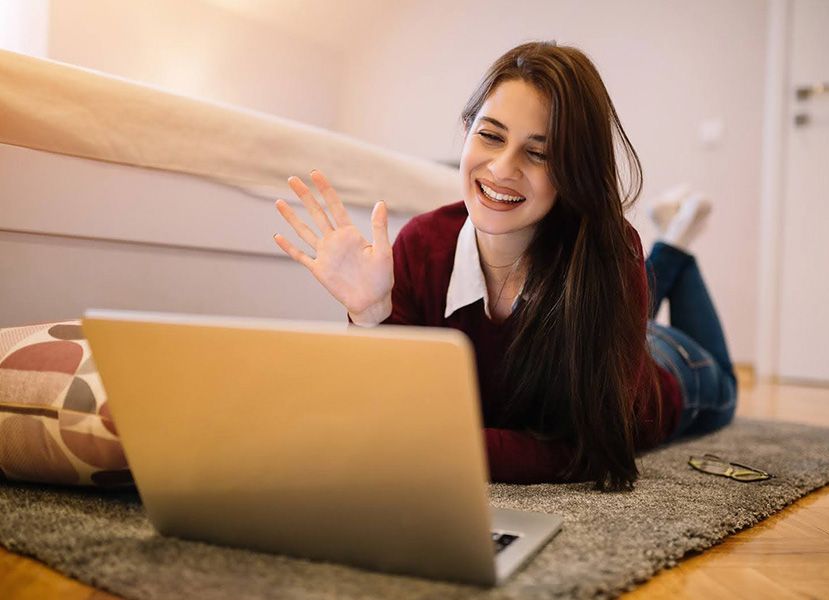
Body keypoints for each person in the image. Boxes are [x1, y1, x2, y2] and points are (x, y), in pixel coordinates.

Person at [273, 41, 737, 491]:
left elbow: (589, 447)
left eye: (538, 153)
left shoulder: (609, 254)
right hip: (615, 341)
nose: (500, 169)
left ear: (574, 170)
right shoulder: (421, 244)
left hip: (677, 371)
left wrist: (446, 447)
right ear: (466, 130)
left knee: (725, 382)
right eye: (490, 135)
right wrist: (369, 316)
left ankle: (677, 246)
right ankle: (673, 244)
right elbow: (391, 415)